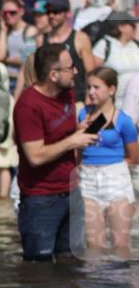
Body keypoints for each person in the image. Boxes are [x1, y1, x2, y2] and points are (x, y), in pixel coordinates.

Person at [13, 44, 100, 262]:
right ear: (53, 75)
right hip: (40, 199)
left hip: (71, 192)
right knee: (38, 271)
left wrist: (80, 132)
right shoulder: (28, 105)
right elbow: (35, 156)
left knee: (72, 267)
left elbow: (62, 134)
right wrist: (72, 141)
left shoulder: (67, 93)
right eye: (71, 68)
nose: (76, 72)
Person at [77, 67, 139, 257]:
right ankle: (95, 285)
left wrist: (112, 166)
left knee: (120, 246)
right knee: (94, 246)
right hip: (88, 179)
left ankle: (120, 285)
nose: (91, 92)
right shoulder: (83, 116)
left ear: (111, 89)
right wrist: (78, 132)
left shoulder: (124, 120)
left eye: (97, 87)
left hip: (115, 179)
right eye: (89, 87)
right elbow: (78, 152)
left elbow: (135, 157)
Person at [39, 0, 94, 107]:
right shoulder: (41, 39)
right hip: (50, 101)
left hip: (76, 100)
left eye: (56, 11)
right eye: (48, 12)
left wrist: (89, 96)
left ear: (67, 13)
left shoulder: (80, 38)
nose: (51, 15)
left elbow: (91, 72)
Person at [93, 15, 139, 108]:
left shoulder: (136, 45)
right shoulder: (104, 45)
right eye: (132, 25)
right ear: (121, 27)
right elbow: (95, 75)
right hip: (116, 104)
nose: (136, 27)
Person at [0, 0, 37, 92]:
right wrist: (3, 30)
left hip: (22, 81)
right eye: (5, 13)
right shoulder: (5, 31)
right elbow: (0, 56)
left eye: (12, 12)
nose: (8, 16)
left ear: (21, 11)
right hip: (5, 80)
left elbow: (28, 60)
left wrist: (7, 60)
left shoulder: (30, 31)